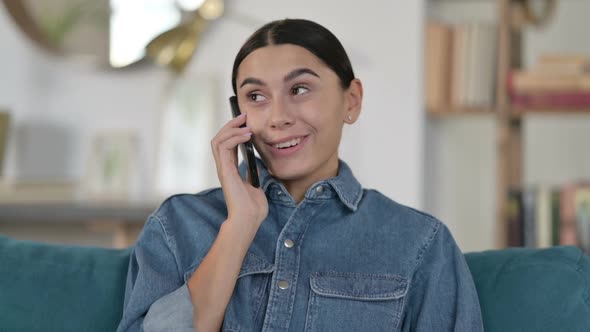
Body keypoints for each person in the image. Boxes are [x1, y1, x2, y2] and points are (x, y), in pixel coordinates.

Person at [116, 18, 484, 332]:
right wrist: (239, 226)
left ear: (351, 100)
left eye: (300, 89)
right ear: (238, 113)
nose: (278, 117)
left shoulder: (419, 242)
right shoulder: (177, 226)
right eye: (256, 96)